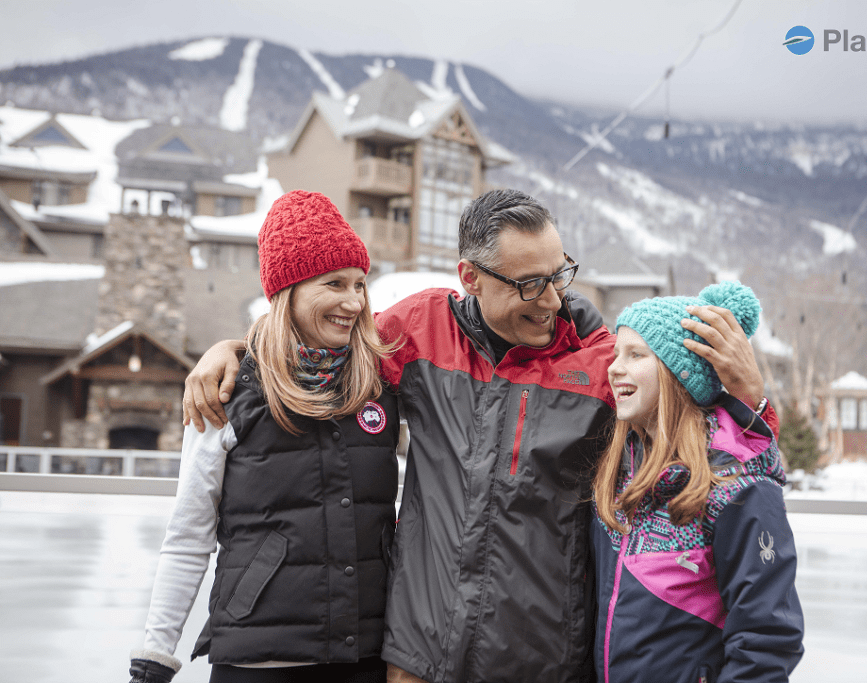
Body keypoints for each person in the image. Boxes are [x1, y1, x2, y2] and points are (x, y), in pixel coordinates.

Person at [182, 189, 779, 683]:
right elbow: (324, 342)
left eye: (558, 275)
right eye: (527, 284)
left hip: (538, 662)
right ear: (470, 277)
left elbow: (710, 448)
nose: (550, 299)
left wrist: (752, 397)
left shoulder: (603, 367)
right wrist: (238, 350)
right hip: (415, 661)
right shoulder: (418, 329)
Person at [128, 191, 400, 683]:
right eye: (334, 283)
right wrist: (155, 656)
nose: (354, 302)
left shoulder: (378, 388)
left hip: (366, 654)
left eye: (360, 285)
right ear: (287, 291)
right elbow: (189, 534)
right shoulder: (227, 392)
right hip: (258, 660)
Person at [592, 283, 803, 683]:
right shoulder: (617, 475)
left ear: (678, 375)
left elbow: (769, 637)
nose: (614, 367)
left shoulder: (738, 487)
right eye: (617, 353)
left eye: (636, 355)